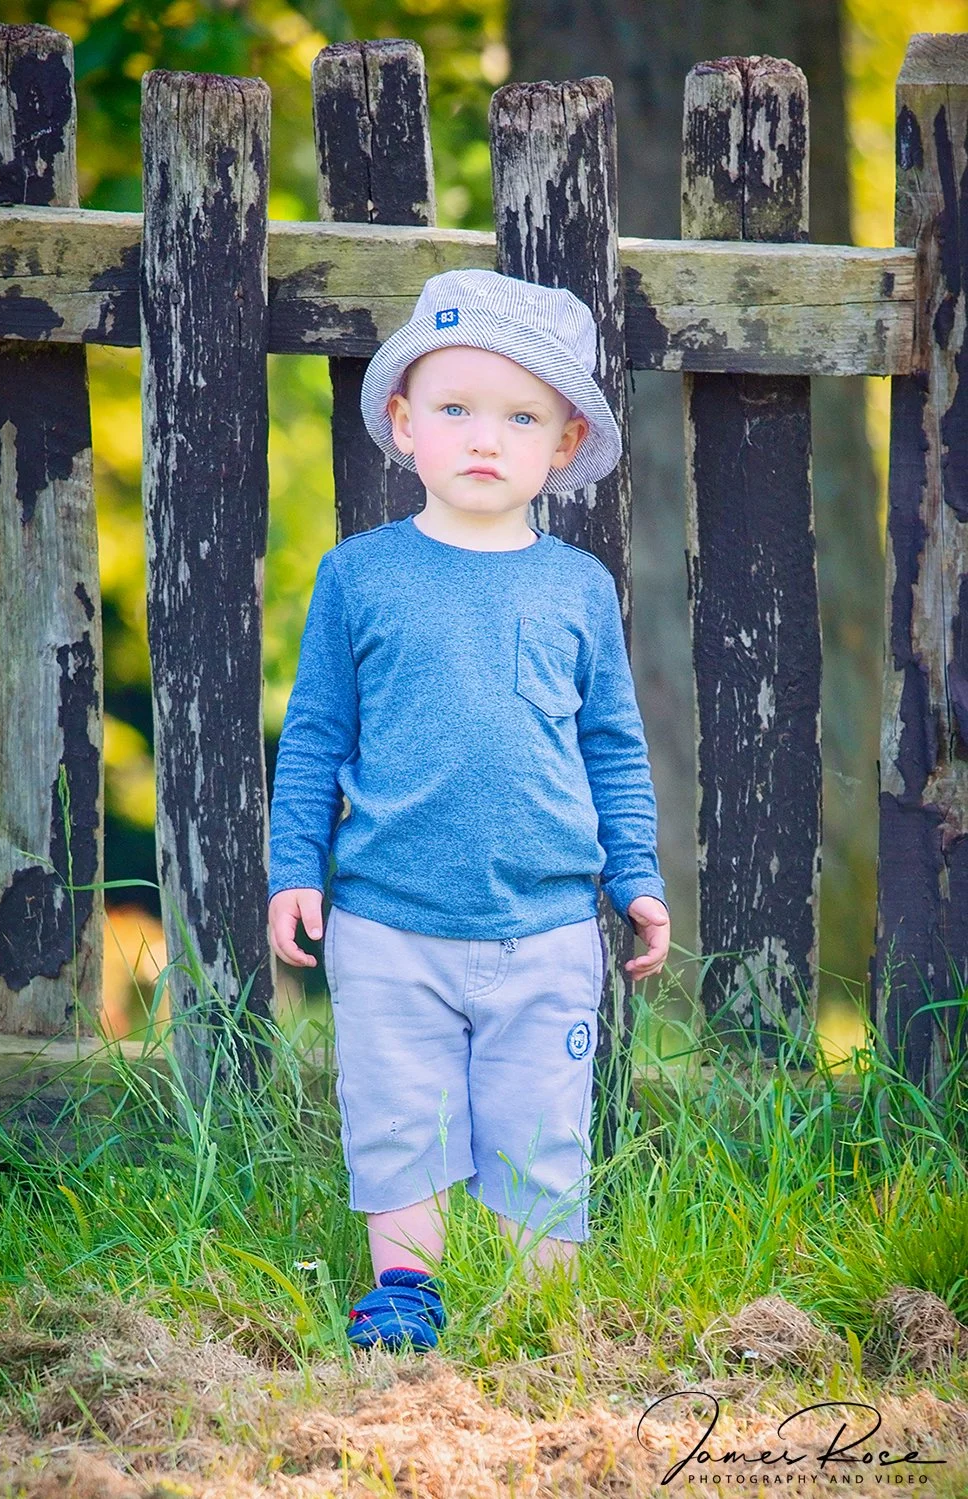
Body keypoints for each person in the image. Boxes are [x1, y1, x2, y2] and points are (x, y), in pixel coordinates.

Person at [267, 267, 670, 1353]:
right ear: (403, 424)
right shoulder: (360, 576)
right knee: (396, 1111)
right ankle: (405, 1286)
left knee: (541, 1121)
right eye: (454, 408)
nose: (485, 439)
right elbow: (314, 737)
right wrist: (294, 867)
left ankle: (541, 1309)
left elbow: (612, 744)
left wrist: (634, 873)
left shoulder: (576, 586)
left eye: (520, 416)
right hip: (389, 916)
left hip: (542, 920)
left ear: (564, 441)